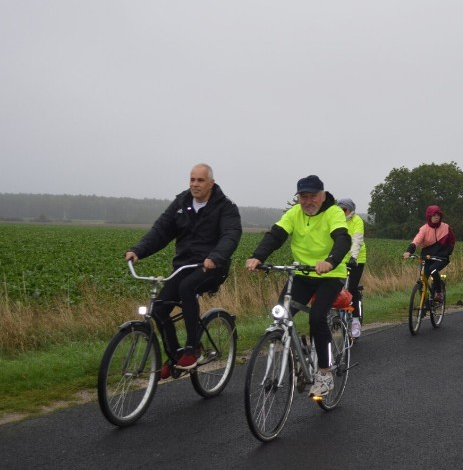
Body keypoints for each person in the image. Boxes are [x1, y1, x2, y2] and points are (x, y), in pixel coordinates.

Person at [126, 163, 242, 379]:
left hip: (213, 267)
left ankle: (192, 348)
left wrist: (215, 257)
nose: (195, 184)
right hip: (183, 266)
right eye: (192, 180)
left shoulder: (225, 208)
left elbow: (231, 235)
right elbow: (160, 231)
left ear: (211, 183)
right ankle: (175, 355)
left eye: (200, 180)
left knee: (187, 287)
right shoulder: (181, 203)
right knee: (159, 308)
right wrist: (138, 250)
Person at [246, 175, 351, 398]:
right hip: (303, 274)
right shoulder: (295, 213)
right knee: (281, 316)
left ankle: (324, 373)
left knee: (316, 318)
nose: (308, 201)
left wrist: (331, 261)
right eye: (303, 196)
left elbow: (343, 239)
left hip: (330, 274)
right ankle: (297, 353)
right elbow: (276, 235)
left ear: (322, 196)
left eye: (313, 196)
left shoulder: (333, 213)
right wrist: (258, 257)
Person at [402, 205, 456, 304]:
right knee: (423, 277)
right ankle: (424, 300)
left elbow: (452, 242)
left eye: (438, 215)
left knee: (433, 270)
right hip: (427, 256)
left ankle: (439, 293)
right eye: (434, 215)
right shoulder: (424, 229)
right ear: (429, 216)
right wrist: (409, 251)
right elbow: (416, 240)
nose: (436, 217)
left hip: (441, 257)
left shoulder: (446, 227)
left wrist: (447, 252)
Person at [338, 198, 367, 338]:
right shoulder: (336, 220)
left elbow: (357, 240)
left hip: (356, 259)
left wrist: (353, 257)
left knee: (351, 288)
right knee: (334, 286)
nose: (342, 212)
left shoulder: (357, 221)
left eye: (344, 209)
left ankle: (355, 320)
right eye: (340, 209)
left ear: (351, 210)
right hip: (339, 259)